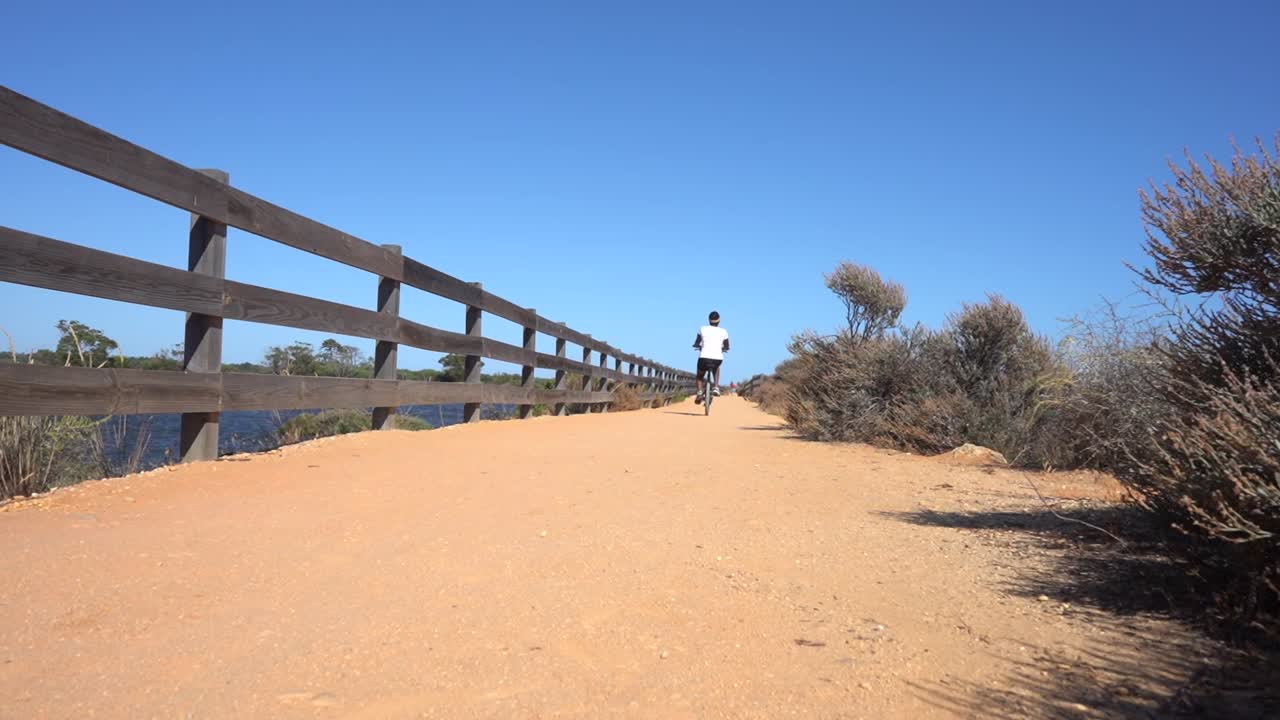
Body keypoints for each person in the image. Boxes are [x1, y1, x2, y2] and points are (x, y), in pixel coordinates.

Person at [692, 311, 729, 404]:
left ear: (709, 320)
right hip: (717, 359)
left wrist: (697, 345)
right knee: (716, 368)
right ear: (719, 321)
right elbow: (727, 346)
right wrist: (724, 348)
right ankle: (716, 387)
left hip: (704, 358)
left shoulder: (702, 329)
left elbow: (697, 342)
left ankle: (700, 392)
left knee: (700, 376)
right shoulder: (723, 331)